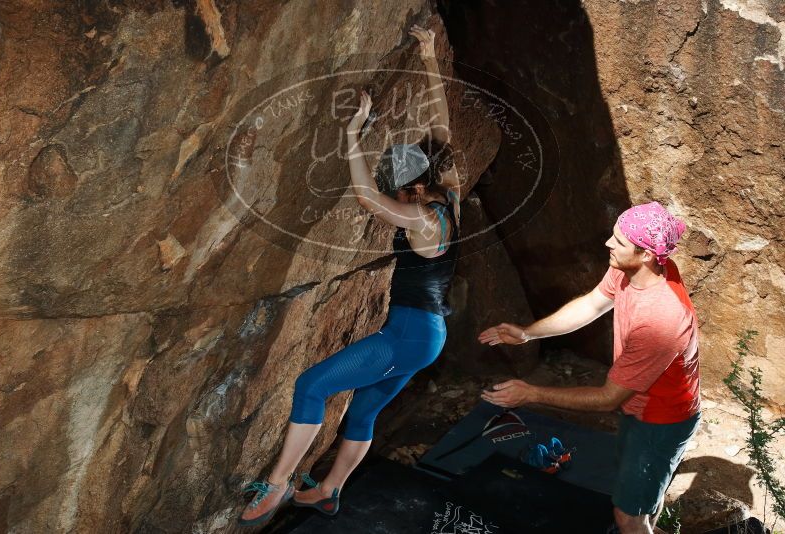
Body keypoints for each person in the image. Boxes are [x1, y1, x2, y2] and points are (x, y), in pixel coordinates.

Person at [238, 25, 462, 527]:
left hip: (407, 335)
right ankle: (328, 491)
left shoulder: (421, 220)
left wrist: (351, 133)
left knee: (311, 386)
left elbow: (365, 197)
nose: (396, 197)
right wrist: (428, 56)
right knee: (362, 412)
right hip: (429, 334)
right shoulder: (450, 193)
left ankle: (275, 487)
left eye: (399, 191)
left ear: (413, 188)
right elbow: (443, 125)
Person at [478, 202, 701, 534]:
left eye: (619, 242)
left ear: (646, 255)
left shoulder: (662, 319)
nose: (609, 245)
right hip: (638, 405)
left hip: (661, 419)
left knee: (628, 517)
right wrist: (528, 333)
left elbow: (608, 398)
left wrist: (532, 394)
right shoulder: (632, 268)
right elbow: (592, 304)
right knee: (639, 502)